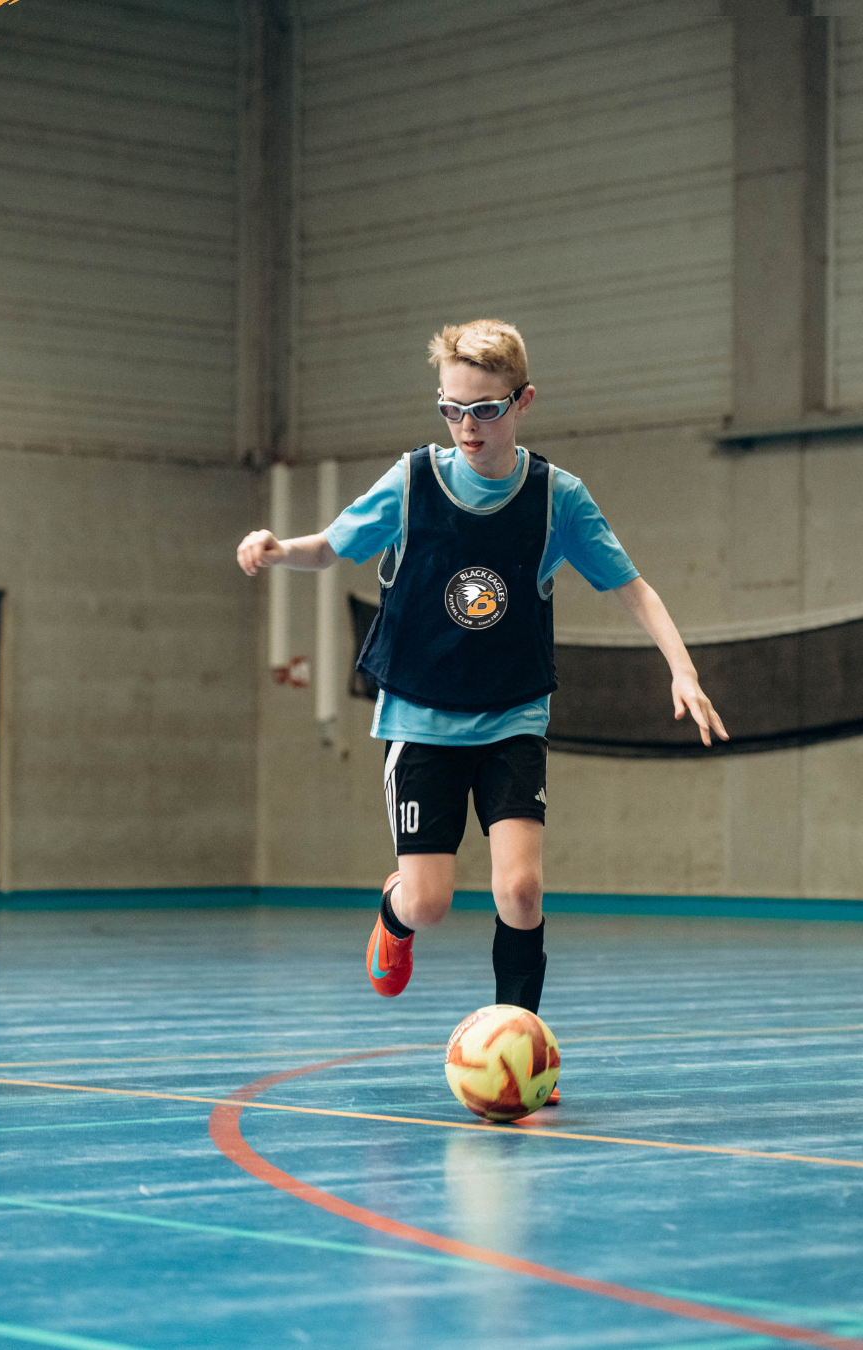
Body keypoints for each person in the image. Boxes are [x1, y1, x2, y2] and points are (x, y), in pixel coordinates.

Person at [236, 319, 727, 1049]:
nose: (467, 426)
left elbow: (634, 588)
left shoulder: (557, 498)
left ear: (522, 401)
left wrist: (682, 669)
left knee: (520, 889)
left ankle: (520, 1041)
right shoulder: (413, 482)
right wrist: (279, 549)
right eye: (452, 408)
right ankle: (396, 911)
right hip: (420, 716)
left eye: (485, 409)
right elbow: (330, 547)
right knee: (430, 904)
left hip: (512, 714)